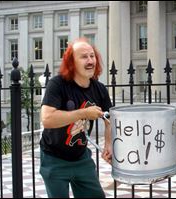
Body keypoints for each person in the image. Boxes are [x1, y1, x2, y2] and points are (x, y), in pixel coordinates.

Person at [39, 38, 112, 198]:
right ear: (71, 62)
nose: (90, 61)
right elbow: (47, 119)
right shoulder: (57, 84)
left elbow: (110, 119)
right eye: (84, 57)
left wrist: (108, 145)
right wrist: (84, 113)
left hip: (81, 158)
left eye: (92, 56)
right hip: (54, 158)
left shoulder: (99, 89)